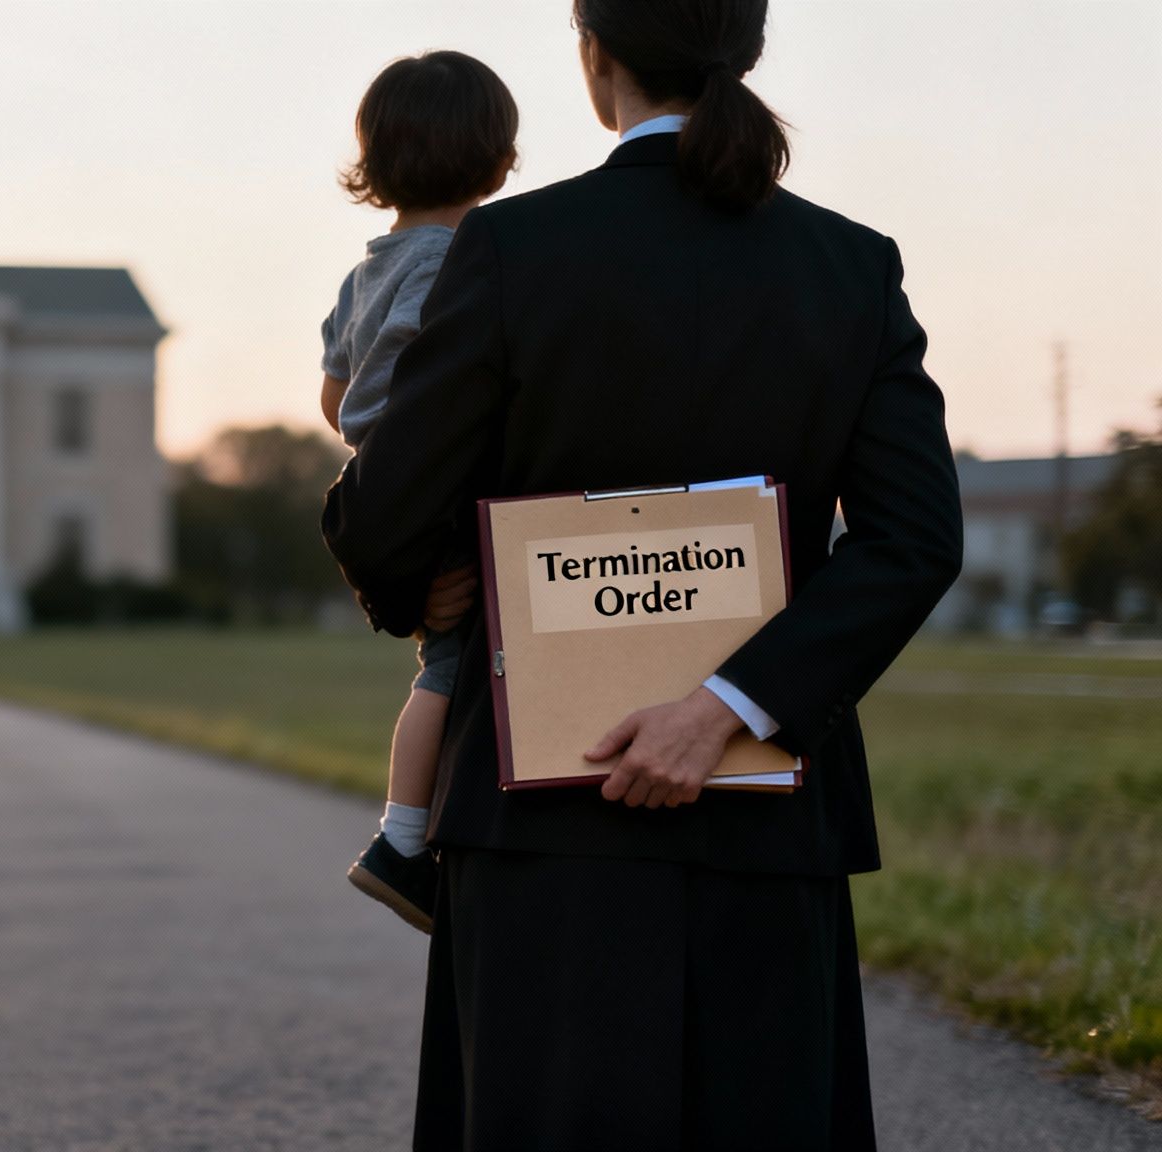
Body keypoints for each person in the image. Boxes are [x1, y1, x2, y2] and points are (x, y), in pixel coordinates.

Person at [320, 1, 965, 1148]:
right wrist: (724, 708)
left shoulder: (509, 249)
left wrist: (418, 589)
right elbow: (911, 540)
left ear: (592, 56)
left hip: (537, 813)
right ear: (742, 51)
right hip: (767, 817)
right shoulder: (850, 266)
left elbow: (384, 510)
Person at [318, 50, 517, 934]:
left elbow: (333, 394)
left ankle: (417, 832)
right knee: (453, 667)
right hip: (442, 484)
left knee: (447, 662)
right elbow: (450, 392)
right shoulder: (459, 262)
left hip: (393, 479)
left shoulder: (368, 268)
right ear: (499, 159)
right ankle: (403, 841)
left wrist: (368, 438)